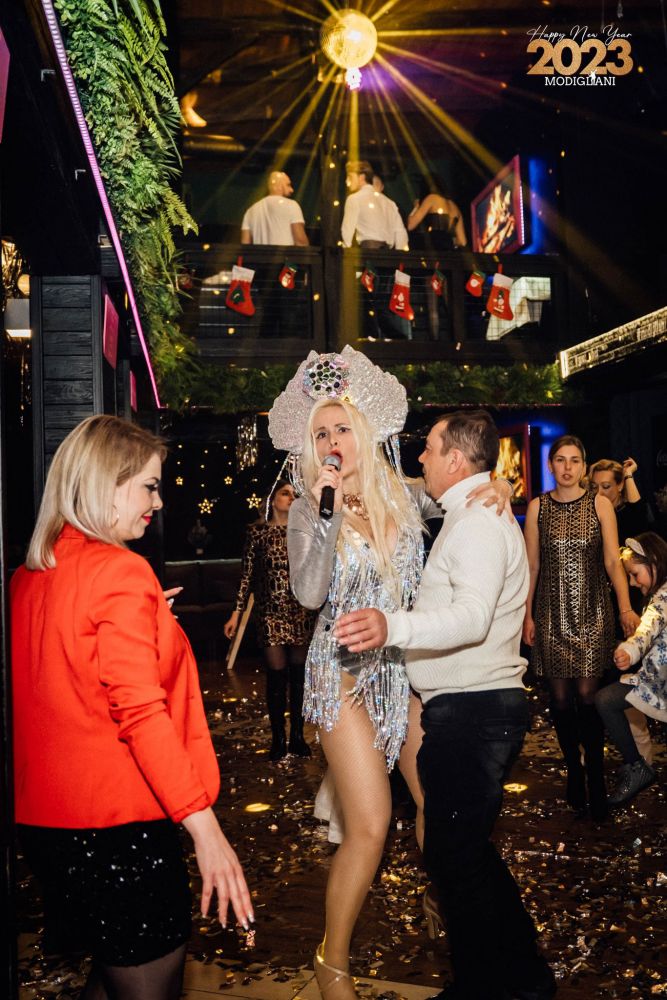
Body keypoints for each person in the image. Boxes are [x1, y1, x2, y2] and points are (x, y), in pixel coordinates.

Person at [268, 348, 511, 1000]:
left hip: (401, 677)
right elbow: (309, 593)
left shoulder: (403, 497)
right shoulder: (306, 509)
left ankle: (450, 904)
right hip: (341, 678)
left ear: (364, 431)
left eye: (341, 428)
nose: (332, 441)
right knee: (371, 826)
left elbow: (460, 494)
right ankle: (332, 962)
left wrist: (498, 486)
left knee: (439, 805)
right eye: (321, 432)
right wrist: (325, 510)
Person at [11, 415, 253, 1000]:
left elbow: (69, 682)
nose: (158, 501)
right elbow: (140, 714)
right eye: (148, 486)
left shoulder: (29, 576)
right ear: (106, 484)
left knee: (112, 975)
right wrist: (206, 831)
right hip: (120, 826)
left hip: (49, 829)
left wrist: (150, 622)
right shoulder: (120, 571)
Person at [335, 410, 556, 1000]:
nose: (421, 458)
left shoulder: (478, 523)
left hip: (474, 712)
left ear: (455, 459)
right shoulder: (467, 512)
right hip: (466, 710)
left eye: (430, 449)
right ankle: (524, 978)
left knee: (455, 860)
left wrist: (392, 626)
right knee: (468, 857)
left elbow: (473, 617)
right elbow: (398, 490)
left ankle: (484, 987)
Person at [522, 435, 640, 822]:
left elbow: (612, 562)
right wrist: (526, 615)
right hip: (551, 615)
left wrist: (625, 607)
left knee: (588, 698)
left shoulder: (600, 504)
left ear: (583, 466)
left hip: (592, 613)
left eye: (574, 460)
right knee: (559, 702)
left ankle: (596, 779)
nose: (567, 467)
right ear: (551, 465)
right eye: (560, 460)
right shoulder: (538, 507)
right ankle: (574, 768)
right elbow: (532, 567)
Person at [224, 479, 316, 761]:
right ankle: (278, 738)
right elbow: (246, 576)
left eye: (294, 494)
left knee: (299, 677)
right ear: (272, 499)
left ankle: (297, 736)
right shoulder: (258, 532)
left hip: (300, 611)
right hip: (269, 613)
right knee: (276, 675)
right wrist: (236, 613)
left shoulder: (304, 532)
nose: (291, 498)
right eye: (285, 493)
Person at [590, 456, 654, 763]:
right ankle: (597, 754)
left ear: (618, 487)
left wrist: (629, 475)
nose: (600, 493)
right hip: (595, 612)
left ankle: (642, 759)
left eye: (606, 486)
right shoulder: (588, 516)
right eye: (594, 487)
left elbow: (642, 518)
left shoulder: (628, 518)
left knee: (626, 684)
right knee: (597, 686)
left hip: (627, 611)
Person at [596, 532, 667, 805]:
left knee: (605, 700)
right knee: (606, 700)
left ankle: (637, 766)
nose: (632, 583)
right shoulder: (659, 594)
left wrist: (629, 649)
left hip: (659, 682)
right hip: (655, 678)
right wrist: (630, 649)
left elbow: (647, 628)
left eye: (635, 574)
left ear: (654, 562)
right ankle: (636, 766)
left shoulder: (663, 598)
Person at [341, 161, 409, 250]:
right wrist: (399, 253)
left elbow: (347, 230)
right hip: (388, 253)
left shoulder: (354, 199)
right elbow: (400, 232)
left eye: (350, 177)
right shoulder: (389, 202)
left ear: (361, 177)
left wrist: (346, 251)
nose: (347, 181)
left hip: (368, 250)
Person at [241, 170, 309, 245]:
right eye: (288, 185)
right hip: (284, 252)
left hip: (260, 253)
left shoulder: (250, 211)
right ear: (279, 185)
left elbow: (245, 244)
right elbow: (300, 241)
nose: (291, 190)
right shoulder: (292, 205)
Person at [407, 178, 467, 250]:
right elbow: (463, 242)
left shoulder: (432, 198)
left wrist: (416, 207)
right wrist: (450, 242)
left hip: (433, 250)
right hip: (448, 252)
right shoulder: (455, 207)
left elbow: (410, 225)